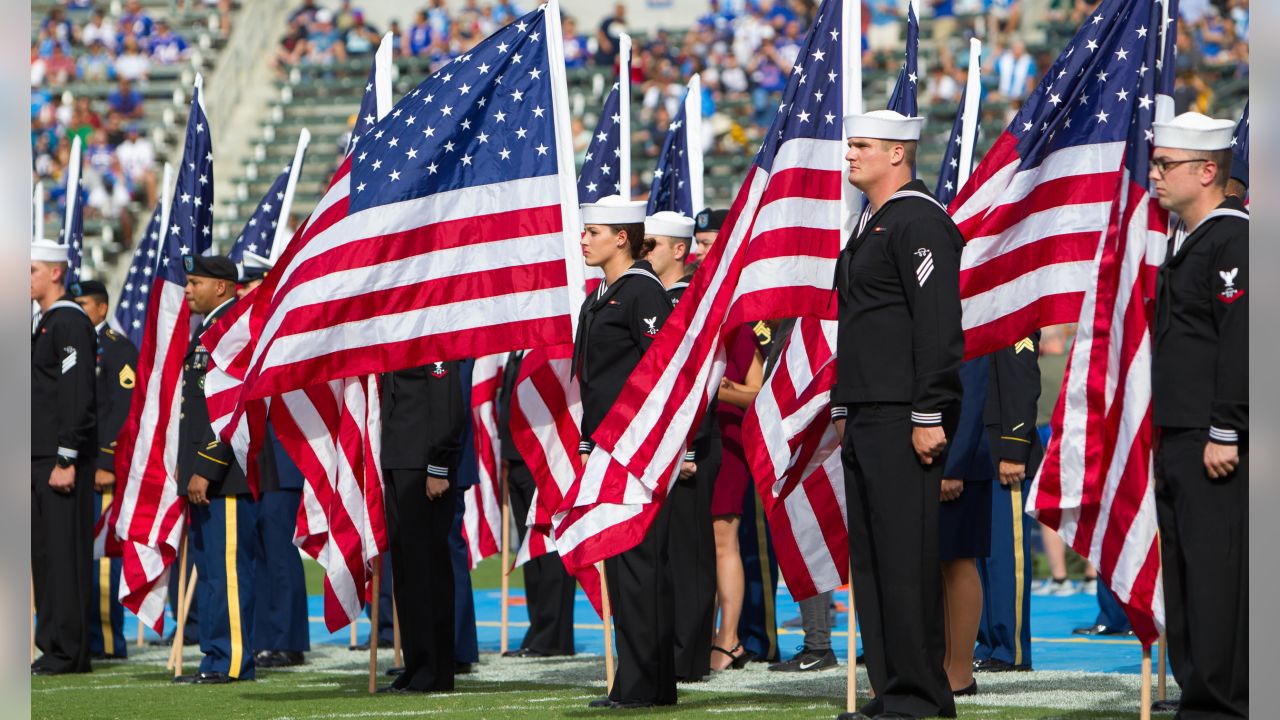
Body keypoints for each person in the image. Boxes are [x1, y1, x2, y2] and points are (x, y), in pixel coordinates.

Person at [833, 110, 963, 720]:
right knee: (876, 562)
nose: (850, 155)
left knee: (906, 562)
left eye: (862, 146)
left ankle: (921, 699)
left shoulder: (919, 220)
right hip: (866, 412)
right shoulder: (871, 224)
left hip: (903, 414)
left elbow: (936, 326)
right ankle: (891, 693)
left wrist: (929, 411)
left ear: (897, 155)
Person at [1149, 111, 1248, 719]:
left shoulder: (1233, 238)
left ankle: (1225, 699)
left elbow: (1242, 338)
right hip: (1178, 431)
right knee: (1185, 572)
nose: (1155, 176)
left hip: (1212, 435)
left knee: (1217, 572)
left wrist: (1225, 427)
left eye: (1166, 165)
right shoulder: (1184, 239)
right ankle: (1199, 691)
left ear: (1208, 170)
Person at [575, 196, 674, 710]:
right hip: (609, 449)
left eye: (594, 231)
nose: (584, 239)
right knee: (626, 566)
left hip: (637, 452)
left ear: (622, 237)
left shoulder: (641, 293)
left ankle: (643, 685)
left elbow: (662, 371)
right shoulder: (604, 293)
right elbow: (597, 382)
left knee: (638, 568)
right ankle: (645, 683)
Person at [173, 255, 257, 685]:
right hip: (203, 474)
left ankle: (234, 659)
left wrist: (206, 466)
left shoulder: (232, 329)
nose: (187, 289)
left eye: (195, 282)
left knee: (227, 573)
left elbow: (230, 407)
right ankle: (214, 656)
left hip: (224, 475)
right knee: (208, 574)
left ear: (221, 287)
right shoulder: (209, 329)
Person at [645, 211, 717, 682]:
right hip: (659, 449)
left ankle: (690, 656)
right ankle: (670, 649)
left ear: (678, 250)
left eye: (651, 244)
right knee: (665, 554)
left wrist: (689, 449)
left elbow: (697, 379)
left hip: (690, 446)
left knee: (690, 556)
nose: (643, 251)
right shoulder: (652, 299)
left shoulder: (689, 300)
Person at [234, 256, 310, 670]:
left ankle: (288, 639)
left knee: (280, 552)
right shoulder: (245, 334)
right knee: (259, 551)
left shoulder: (285, 330)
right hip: (257, 457)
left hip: (283, 457)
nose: (244, 293)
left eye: (252, 286)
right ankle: (265, 637)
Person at [31, 239, 98, 676]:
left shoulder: (69, 323)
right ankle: (51, 642)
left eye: (32, 269)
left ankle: (68, 649)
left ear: (56, 272)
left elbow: (77, 394)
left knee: (64, 554)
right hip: (39, 456)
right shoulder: (44, 324)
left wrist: (66, 456)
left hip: (59, 458)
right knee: (43, 556)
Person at [379, 357, 466, 693]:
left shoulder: (432, 334)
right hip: (398, 461)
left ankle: (435, 669)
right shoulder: (398, 335)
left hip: (424, 466)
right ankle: (416, 662)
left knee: (429, 571)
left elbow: (447, 405)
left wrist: (439, 465)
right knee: (406, 572)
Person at [71, 279, 138, 661]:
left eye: (82, 304)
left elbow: (122, 409)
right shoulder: (79, 344)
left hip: (101, 469)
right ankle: (86, 634)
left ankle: (108, 640)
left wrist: (107, 461)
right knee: (81, 552)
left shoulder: (116, 348)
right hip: (77, 466)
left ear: (100, 308)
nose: (78, 309)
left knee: (102, 554)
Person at [767, 318, 838, 675]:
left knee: (813, 545)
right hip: (797, 452)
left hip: (818, 451)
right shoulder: (788, 322)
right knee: (807, 547)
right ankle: (818, 643)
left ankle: (820, 645)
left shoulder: (817, 320)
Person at [498, 351, 577, 659]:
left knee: (549, 549)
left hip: (542, 458)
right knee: (530, 554)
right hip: (516, 459)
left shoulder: (549, 349)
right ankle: (538, 632)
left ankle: (554, 636)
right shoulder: (515, 351)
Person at [973, 336, 1042, 673]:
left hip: (1004, 451)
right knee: (980, 558)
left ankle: (1010, 649)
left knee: (1005, 558)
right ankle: (987, 643)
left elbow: (1021, 376)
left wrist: (1015, 446)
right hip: (976, 450)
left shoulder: (1013, 305)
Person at [938, 357, 993, 697]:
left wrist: (954, 466)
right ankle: (942, 665)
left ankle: (959, 672)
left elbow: (971, 394)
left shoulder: (968, 310)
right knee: (938, 565)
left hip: (961, 459)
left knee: (958, 562)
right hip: (930, 456)